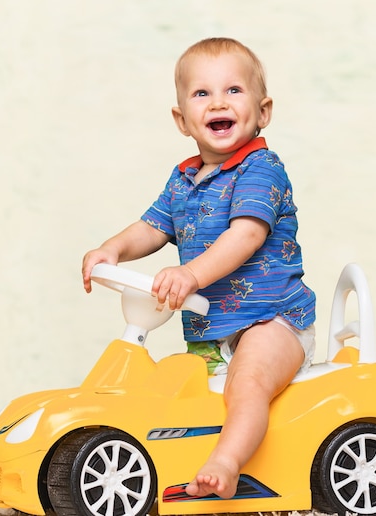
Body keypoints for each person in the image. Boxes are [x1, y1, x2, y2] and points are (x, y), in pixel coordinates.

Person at [81, 37, 316, 500]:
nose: (219, 102)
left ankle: (227, 464)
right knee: (181, 390)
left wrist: (190, 274)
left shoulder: (261, 169)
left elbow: (245, 236)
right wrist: (111, 250)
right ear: (182, 120)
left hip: (274, 321)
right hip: (211, 332)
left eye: (234, 91)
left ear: (263, 111)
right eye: (202, 94)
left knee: (247, 382)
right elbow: (150, 227)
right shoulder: (183, 180)